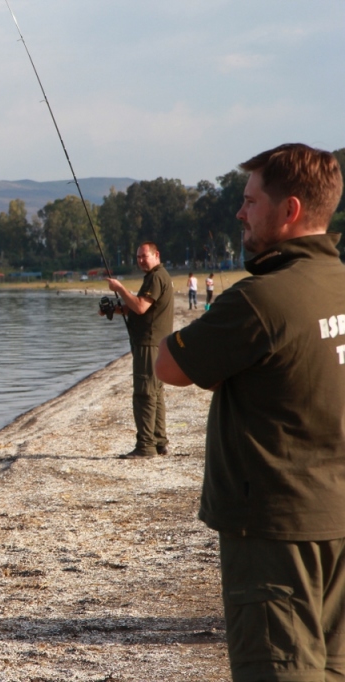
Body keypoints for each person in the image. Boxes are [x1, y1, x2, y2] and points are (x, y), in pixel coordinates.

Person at [156, 143, 345, 681]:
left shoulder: (261, 300)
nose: (240, 213)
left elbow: (169, 366)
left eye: (250, 201)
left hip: (273, 535)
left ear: (289, 211)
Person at [102, 242, 174, 459]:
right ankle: (159, 441)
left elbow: (141, 306)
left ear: (156, 255)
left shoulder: (156, 277)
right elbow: (139, 308)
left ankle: (145, 446)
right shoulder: (158, 276)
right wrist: (115, 309)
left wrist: (120, 289)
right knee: (156, 392)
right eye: (138, 257)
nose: (141, 260)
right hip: (157, 343)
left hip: (148, 344)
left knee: (144, 394)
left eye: (145, 256)